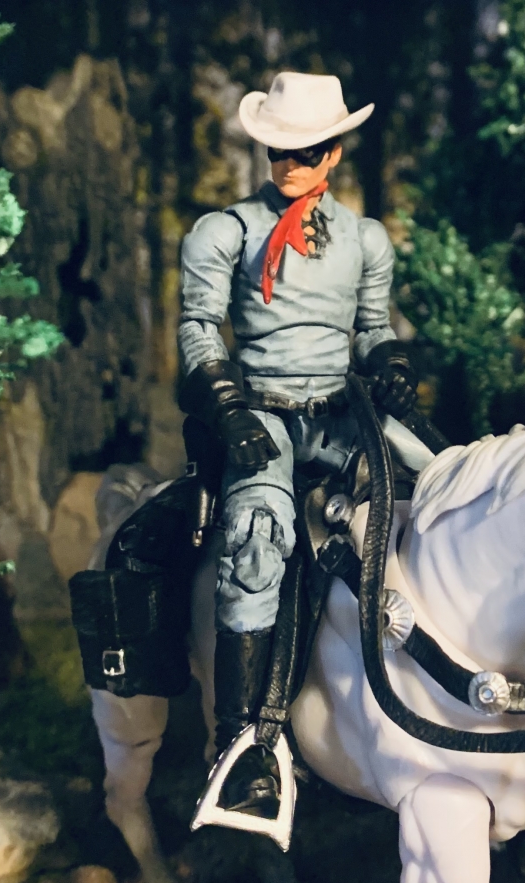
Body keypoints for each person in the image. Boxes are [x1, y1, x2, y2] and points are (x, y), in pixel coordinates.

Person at [178, 71, 426, 811]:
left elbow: (373, 327)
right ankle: (240, 747)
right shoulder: (228, 231)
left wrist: (391, 364)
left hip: (342, 415)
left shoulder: (364, 239)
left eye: (307, 151)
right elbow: (199, 325)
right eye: (279, 151)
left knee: (442, 485)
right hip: (263, 413)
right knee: (258, 536)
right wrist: (227, 407)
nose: (291, 164)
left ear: (334, 154)